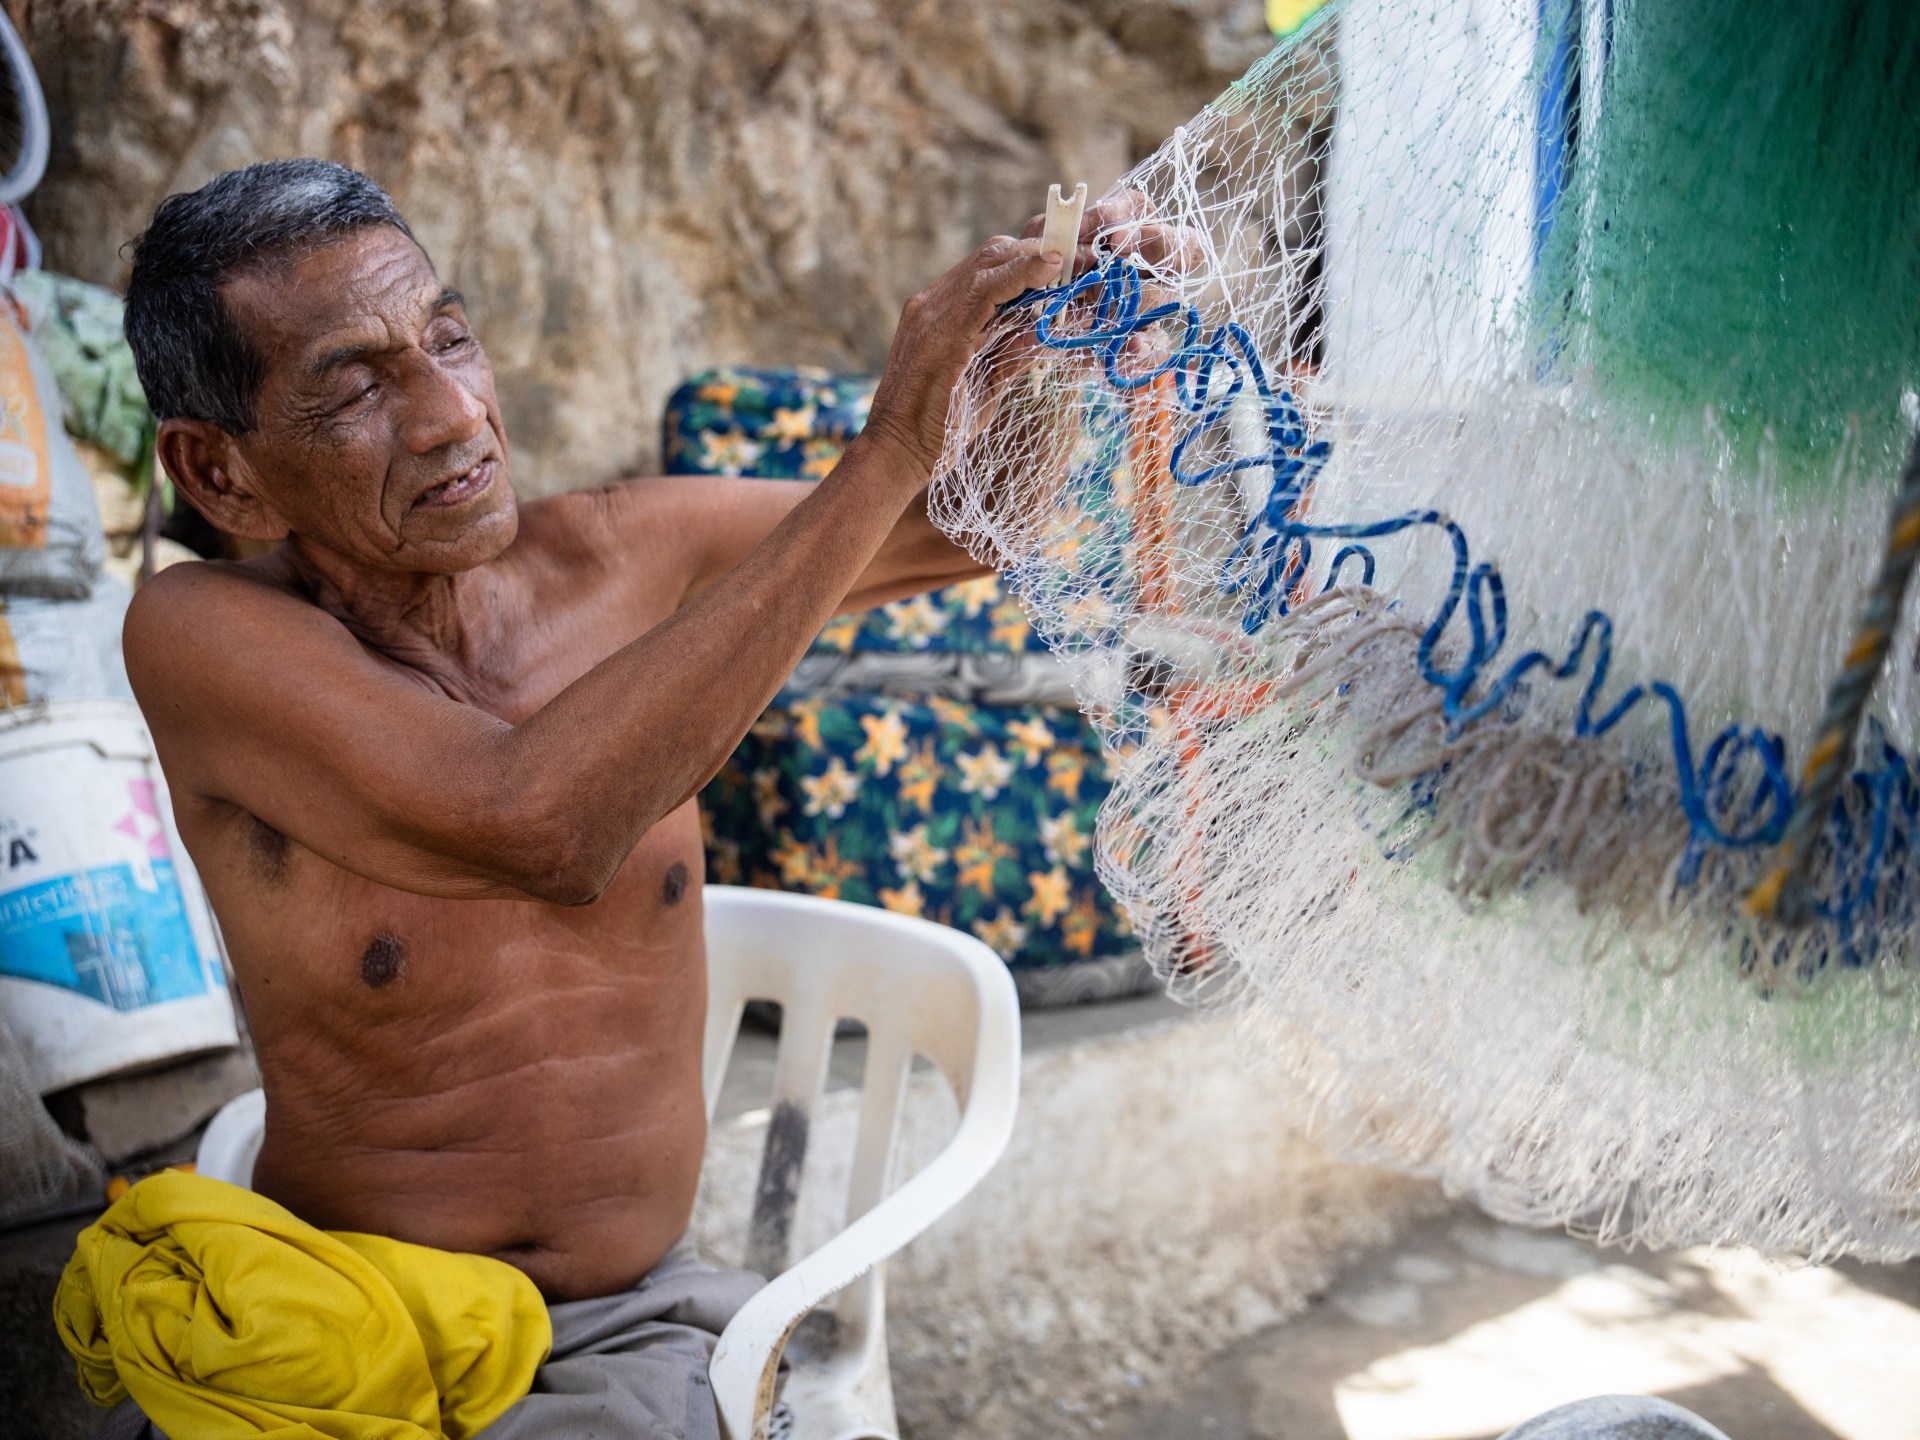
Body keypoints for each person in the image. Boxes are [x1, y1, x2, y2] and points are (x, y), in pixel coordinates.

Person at [101, 158, 1168, 1438]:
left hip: (622, 1321)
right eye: (357, 390)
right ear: (219, 474)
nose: (451, 414)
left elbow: (978, 521)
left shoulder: (624, 552)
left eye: (450, 338)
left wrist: (1052, 337)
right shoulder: (200, 635)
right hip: (336, 1308)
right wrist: (887, 440)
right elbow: (541, 827)